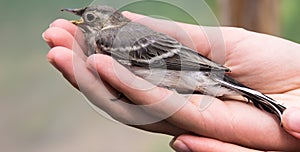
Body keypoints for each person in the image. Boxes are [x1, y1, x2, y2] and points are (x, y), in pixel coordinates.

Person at [43, 11, 300, 151]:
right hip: (188, 73)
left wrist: (209, 69)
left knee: (242, 91)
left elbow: (172, 58)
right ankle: (266, 101)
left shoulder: (108, 40)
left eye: (89, 17)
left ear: (104, 23)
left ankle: (266, 101)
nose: (80, 18)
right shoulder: (109, 40)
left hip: (188, 72)